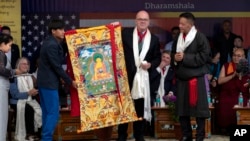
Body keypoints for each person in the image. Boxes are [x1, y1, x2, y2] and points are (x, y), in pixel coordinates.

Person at [117, 10, 161, 141]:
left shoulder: (154, 39)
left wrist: (151, 65)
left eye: (145, 20)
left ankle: (139, 136)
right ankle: (121, 136)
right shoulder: (125, 33)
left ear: (149, 22)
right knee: (125, 109)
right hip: (126, 78)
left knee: (140, 109)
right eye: (140, 19)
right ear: (136, 21)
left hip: (143, 79)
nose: (142, 21)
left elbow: (157, 58)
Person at [171, 12, 210, 141]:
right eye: (179, 23)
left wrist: (185, 57)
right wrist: (175, 58)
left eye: (182, 24)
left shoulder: (200, 37)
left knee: (199, 112)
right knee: (183, 112)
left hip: (195, 79)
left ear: (190, 24)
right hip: (182, 79)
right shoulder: (178, 38)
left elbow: (204, 57)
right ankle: (186, 135)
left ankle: (199, 137)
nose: (179, 26)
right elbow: (172, 54)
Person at [37, 19, 77, 141]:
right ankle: (46, 138)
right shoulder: (51, 45)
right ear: (53, 31)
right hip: (49, 83)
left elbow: (61, 51)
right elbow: (57, 67)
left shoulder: (53, 43)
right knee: (53, 113)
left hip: (45, 83)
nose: (63, 32)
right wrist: (71, 81)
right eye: (60, 29)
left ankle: (45, 138)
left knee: (47, 113)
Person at [217, 48, 250, 135]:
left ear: (244, 57)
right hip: (227, 94)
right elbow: (220, 81)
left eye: (239, 56)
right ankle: (225, 128)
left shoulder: (247, 67)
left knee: (244, 101)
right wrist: (232, 75)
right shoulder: (227, 66)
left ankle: (241, 127)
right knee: (225, 102)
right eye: (234, 55)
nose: (236, 58)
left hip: (242, 94)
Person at [9, 57, 41, 141]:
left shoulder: (30, 76)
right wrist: (28, 93)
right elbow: (14, 94)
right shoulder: (13, 77)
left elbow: (34, 90)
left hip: (29, 99)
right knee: (29, 109)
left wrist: (34, 92)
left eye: (27, 64)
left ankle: (38, 134)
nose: (26, 65)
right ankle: (29, 134)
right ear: (18, 65)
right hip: (16, 101)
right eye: (23, 64)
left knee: (39, 110)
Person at [0, 33, 20, 140]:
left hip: (3, 88)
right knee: (1, 117)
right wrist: (14, 72)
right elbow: (1, 70)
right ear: (2, 44)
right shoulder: (1, 54)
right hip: (1, 88)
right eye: (9, 45)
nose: (10, 48)